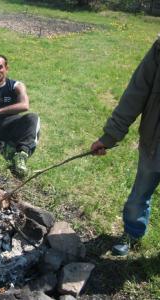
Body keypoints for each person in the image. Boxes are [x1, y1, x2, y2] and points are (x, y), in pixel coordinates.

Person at [91, 36, 160, 256]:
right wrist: (110, 137)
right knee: (140, 194)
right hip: (155, 144)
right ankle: (132, 233)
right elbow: (135, 94)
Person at [0, 54, 40, 175]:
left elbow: (25, 105)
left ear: (6, 68)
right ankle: (6, 147)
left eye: (0, 67)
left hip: (13, 123)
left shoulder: (16, 86)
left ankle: (21, 155)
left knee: (33, 118)